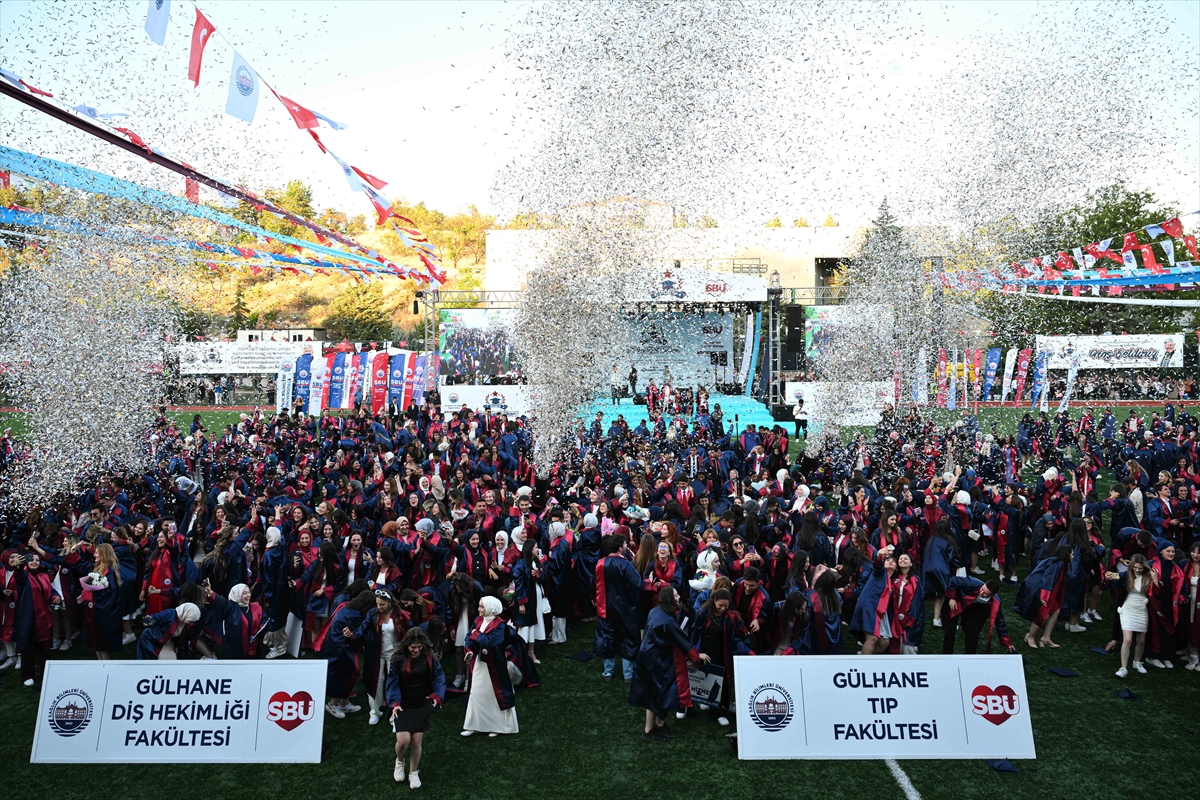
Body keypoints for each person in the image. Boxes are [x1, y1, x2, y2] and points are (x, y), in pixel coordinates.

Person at [628, 586, 710, 742]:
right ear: (669, 599)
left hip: (651, 659)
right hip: (656, 663)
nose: (679, 597)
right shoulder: (667, 621)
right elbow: (681, 640)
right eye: (676, 595)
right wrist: (697, 655)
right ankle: (649, 730)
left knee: (658, 694)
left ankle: (659, 724)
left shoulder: (655, 612)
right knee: (656, 695)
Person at [386, 627, 446, 789]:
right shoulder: (397, 659)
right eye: (413, 647)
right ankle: (399, 761)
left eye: (419, 647)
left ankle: (413, 772)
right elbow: (392, 683)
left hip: (422, 703)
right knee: (403, 742)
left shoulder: (430, 658)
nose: (416, 650)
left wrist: (437, 696)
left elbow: (439, 678)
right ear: (406, 645)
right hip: (403, 704)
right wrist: (395, 703)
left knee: (416, 741)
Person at [461, 595, 519, 737]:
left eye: (482, 606)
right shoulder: (478, 620)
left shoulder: (500, 625)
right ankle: (474, 724)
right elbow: (469, 638)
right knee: (477, 692)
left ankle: (498, 726)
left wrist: (475, 635)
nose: (479, 609)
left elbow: (491, 641)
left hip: (494, 665)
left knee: (494, 694)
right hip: (480, 663)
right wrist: (469, 650)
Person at [594, 534, 644, 682]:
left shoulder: (600, 563)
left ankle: (608, 672)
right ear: (620, 548)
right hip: (625, 608)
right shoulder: (626, 564)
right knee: (627, 638)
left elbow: (594, 585)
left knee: (607, 637)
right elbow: (638, 583)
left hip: (605, 607)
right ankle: (627, 674)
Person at [941, 577, 1015, 654]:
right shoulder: (972, 583)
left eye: (985, 593)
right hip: (957, 600)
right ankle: (946, 655)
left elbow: (1000, 622)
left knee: (973, 633)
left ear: (992, 595)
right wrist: (952, 598)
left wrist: (1007, 643)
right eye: (982, 589)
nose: (981, 592)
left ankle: (970, 657)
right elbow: (954, 580)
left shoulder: (996, 601)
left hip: (974, 607)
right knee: (950, 630)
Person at [1113, 554, 1153, 677]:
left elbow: (1157, 592)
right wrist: (1111, 578)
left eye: (1140, 568)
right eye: (1135, 567)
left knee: (1141, 641)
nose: (1137, 570)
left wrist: (1155, 578)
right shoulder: (1126, 575)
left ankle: (1137, 662)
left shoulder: (1148, 577)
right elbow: (1117, 585)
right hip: (1128, 609)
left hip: (1141, 609)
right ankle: (1123, 668)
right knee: (1128, 639)